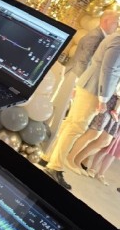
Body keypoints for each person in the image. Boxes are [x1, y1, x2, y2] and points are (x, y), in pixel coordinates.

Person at [44, 12, 120, 190]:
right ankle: (55, 167)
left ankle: (50, 159)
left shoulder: (115, 38)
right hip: (93, 89)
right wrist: (103, 98)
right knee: (76, 127)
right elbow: (108, 70)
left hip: (92, 87)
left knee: (71, 125)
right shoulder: (117, 41)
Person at [66, 93, 120, 175]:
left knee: (105, 141)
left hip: (118, 109)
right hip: (112, 98)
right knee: (93, 133)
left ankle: (78, 159)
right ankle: (70, 157)